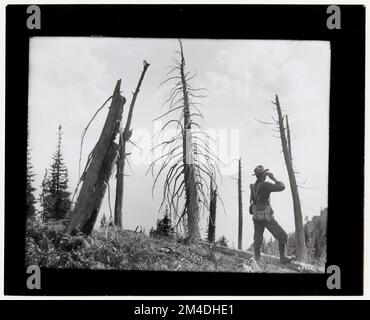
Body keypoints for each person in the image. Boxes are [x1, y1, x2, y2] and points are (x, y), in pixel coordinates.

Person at [249, 165, 293, 265]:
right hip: (266, 216)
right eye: (265, 173)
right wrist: (273, 178)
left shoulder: (253, 186)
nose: (266, 174)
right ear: (263, 175)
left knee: (258, 239)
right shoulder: (265, 185)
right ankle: (283, 258)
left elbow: (252, 202)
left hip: (256, 216)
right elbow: (282, 187)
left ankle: (257, 260)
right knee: (282, 235)